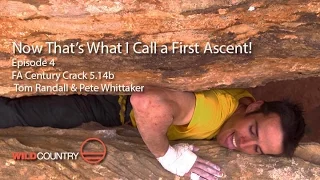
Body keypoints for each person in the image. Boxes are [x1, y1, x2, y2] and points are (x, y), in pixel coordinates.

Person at [0, 86, 305, 179]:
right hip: (110, 101)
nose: (243, 142)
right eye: (253, 130)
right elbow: (146, 103)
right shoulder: (212, 112)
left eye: (257, 148)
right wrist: (168, 157)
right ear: (254, 108)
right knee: (17, 112)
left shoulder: (242, 102)